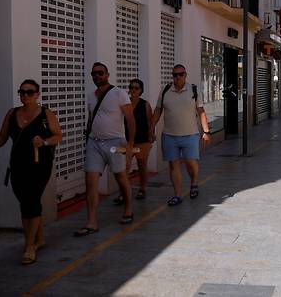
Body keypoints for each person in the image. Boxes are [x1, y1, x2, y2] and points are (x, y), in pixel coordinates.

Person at [0, 80, 63, 264]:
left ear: (37, 94)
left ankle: (29, 246)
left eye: (30, 92)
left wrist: (44, 142)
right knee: (25, 202)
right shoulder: (12, 114)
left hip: (39, 165)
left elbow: (58, 135)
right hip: (17, 166)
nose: (25, 95)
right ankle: (39, 239)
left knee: (32, 201)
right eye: (22, 92)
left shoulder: (45, 114)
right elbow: (2, 137)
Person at [74, 62, 136, 237]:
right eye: (94, 74)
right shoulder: (91, 96)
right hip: (94, 142)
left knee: (120, 177)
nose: (97, 76)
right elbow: (91, 119)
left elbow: (130, 119)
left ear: (107, 74)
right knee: (91, 181)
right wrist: (88, 137)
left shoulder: (119, 93)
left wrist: (130, 144)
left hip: (115, 143)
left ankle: (129, 208)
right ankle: (91, 222)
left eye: (100, 73)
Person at [150, 64, 210, 207]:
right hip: (170, 135)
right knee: (173, 165)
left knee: (191, 162)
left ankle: (194, 182)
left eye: (180, 74)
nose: (177, 77)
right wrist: (151, 127)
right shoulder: (165, 91)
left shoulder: (193, 90)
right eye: (175, 75)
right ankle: (177, 194)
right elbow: (158, 110)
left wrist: (206, 131)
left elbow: (201, 111)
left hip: (190, 135)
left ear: (185, 75)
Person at [113, 79, 153, 204]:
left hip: (142, 141)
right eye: (131, 88)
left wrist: (151, 135)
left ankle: (142, 189)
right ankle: (123, 193)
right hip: (127, 141)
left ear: (141, 90)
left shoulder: (145, 105)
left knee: (142, 165)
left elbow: (150, 122)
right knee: (124, 167)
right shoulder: (125, 104)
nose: (133, 90)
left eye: (136, 88)